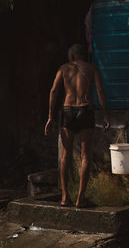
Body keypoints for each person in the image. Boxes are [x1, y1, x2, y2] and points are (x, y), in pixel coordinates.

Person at [44, 43, 110, 208]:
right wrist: (105, 114)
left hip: (67, 111)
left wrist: (50, 116)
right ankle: (81, 198)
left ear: (72, 55)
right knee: (85, 156)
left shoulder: (63, 68)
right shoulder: (91, 68)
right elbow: (101, 91)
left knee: (65, 156)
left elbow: (53, 91)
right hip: (85, 110)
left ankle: (65, 197)